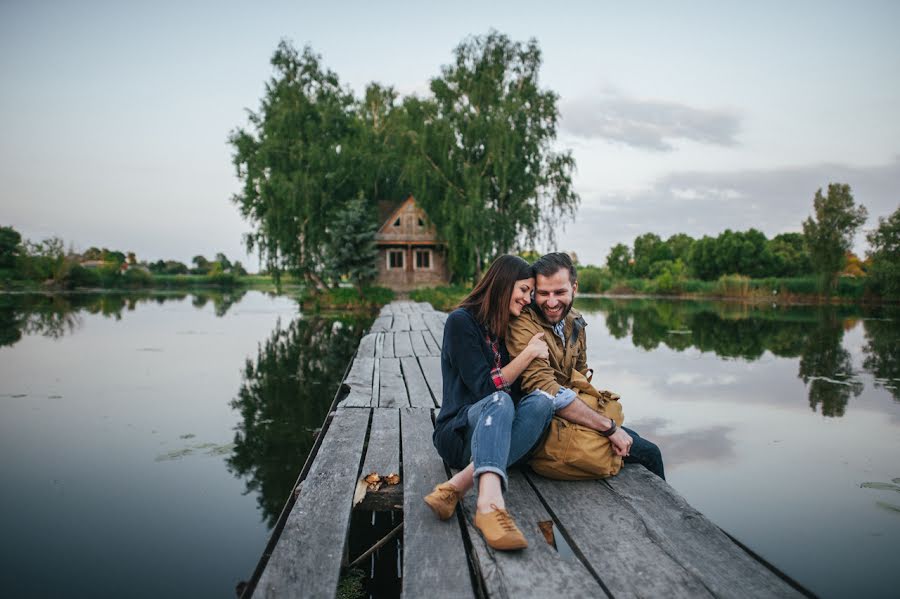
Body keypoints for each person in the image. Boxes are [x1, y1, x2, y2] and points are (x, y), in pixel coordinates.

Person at [425, 255, 554, 550]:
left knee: (542, 403)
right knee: (499, 399)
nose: (527, 299)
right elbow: (485, 387)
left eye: (531, 293)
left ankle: (456, 486)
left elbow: (520, 393)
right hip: (457, 434)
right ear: (503, 283)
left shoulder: (505, 327)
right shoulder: (461, 322)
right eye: (523, 290)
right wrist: (529, 353)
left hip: (494, 433)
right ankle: (489, 506)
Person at [507, 252, 665, 479]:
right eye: (543, 293)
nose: (551, 302)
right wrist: (608, 427)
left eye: (560, 292)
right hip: (536, 430)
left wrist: (605, 424)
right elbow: (543, 389)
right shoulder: (523, 324)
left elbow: (579, 380)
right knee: (650, 453)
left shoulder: (576, 321)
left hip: (564, 418)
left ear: (574, 288)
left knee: (633, 440)